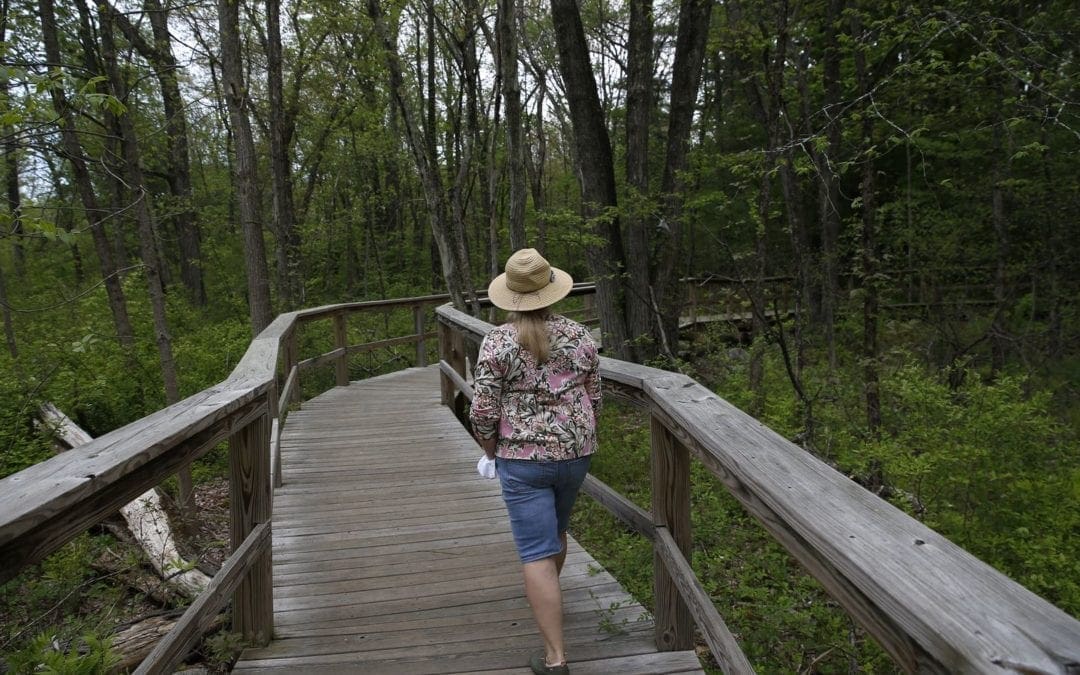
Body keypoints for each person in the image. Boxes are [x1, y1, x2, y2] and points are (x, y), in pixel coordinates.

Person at [469, 248, 602, 675]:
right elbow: (594, 396)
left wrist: (490, 452)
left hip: (522, 459)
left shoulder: (497, 341)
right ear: (550, 290)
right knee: (556, 533)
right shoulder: (581, 335)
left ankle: (556, 658)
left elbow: (484, 410)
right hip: (575, 453)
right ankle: (549, 596)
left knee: (535, 552)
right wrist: (578, 436)